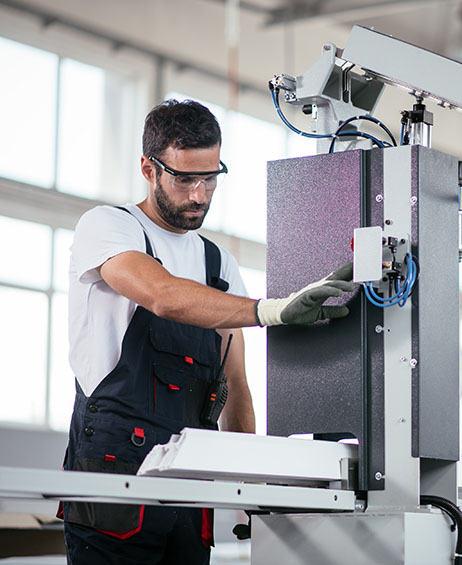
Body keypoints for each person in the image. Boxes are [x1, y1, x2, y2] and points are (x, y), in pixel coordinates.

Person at [60, 99, 354, 563]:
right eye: (184, 178)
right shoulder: (110, 227)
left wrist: (254, 486)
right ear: (148, 168)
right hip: (115, 477)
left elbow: (235, 386)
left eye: (210, 177)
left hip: (191, 482)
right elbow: (163, 296)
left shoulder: (219, 265)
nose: (198, 194)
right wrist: (271, 310)